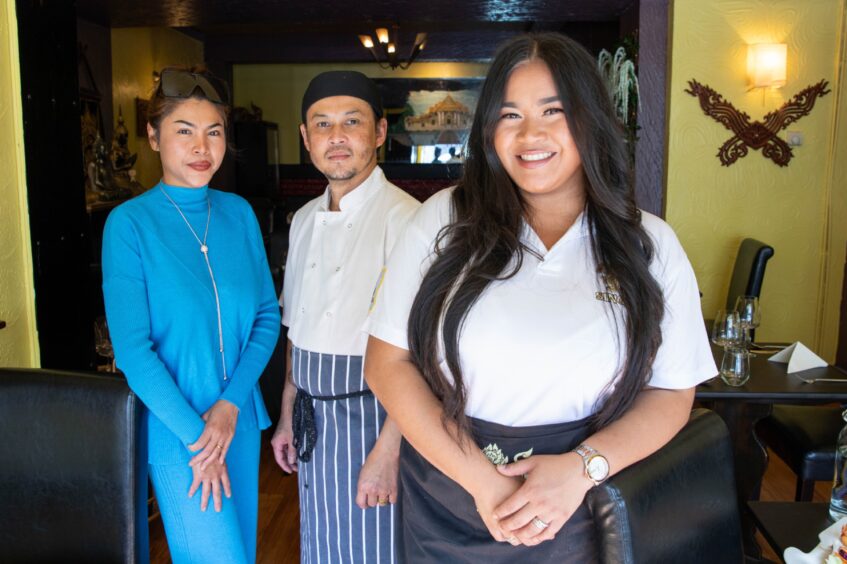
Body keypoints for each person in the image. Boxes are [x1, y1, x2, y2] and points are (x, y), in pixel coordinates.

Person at [364, 33, 717, 562]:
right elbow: (387, 362)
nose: (531, 134)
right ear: (488, 131)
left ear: (590, 118)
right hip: (450, 495)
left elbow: (671, 393)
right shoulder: (444, 217)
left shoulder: (648, 243)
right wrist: (484, 484)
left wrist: (581, 468)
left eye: (553, 110)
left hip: (581, 502)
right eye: (509, 116)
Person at [103, 67, 280, 564]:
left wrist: (228, 407)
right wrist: (202, 438)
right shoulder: (130, 225)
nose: (202, 146)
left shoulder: (239, 213)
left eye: (214, 132)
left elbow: (267, 314)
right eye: (185, 130)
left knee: (242, 554)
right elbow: (134, 353)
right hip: (178, 429)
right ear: (154, 136)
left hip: (238, 420)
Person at [270, 70, 420, 562]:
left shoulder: (410, 220)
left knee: (372, 545)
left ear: (378, 132)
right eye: (322, 124)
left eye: (351, 122)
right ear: (305, 138)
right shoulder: (305, 219)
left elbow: (425, 353)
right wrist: (289, 410)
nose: (336, 137)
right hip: (313, 415)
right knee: (321, 543)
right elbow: (297, 323)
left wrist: (389, 450)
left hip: (373, 418)